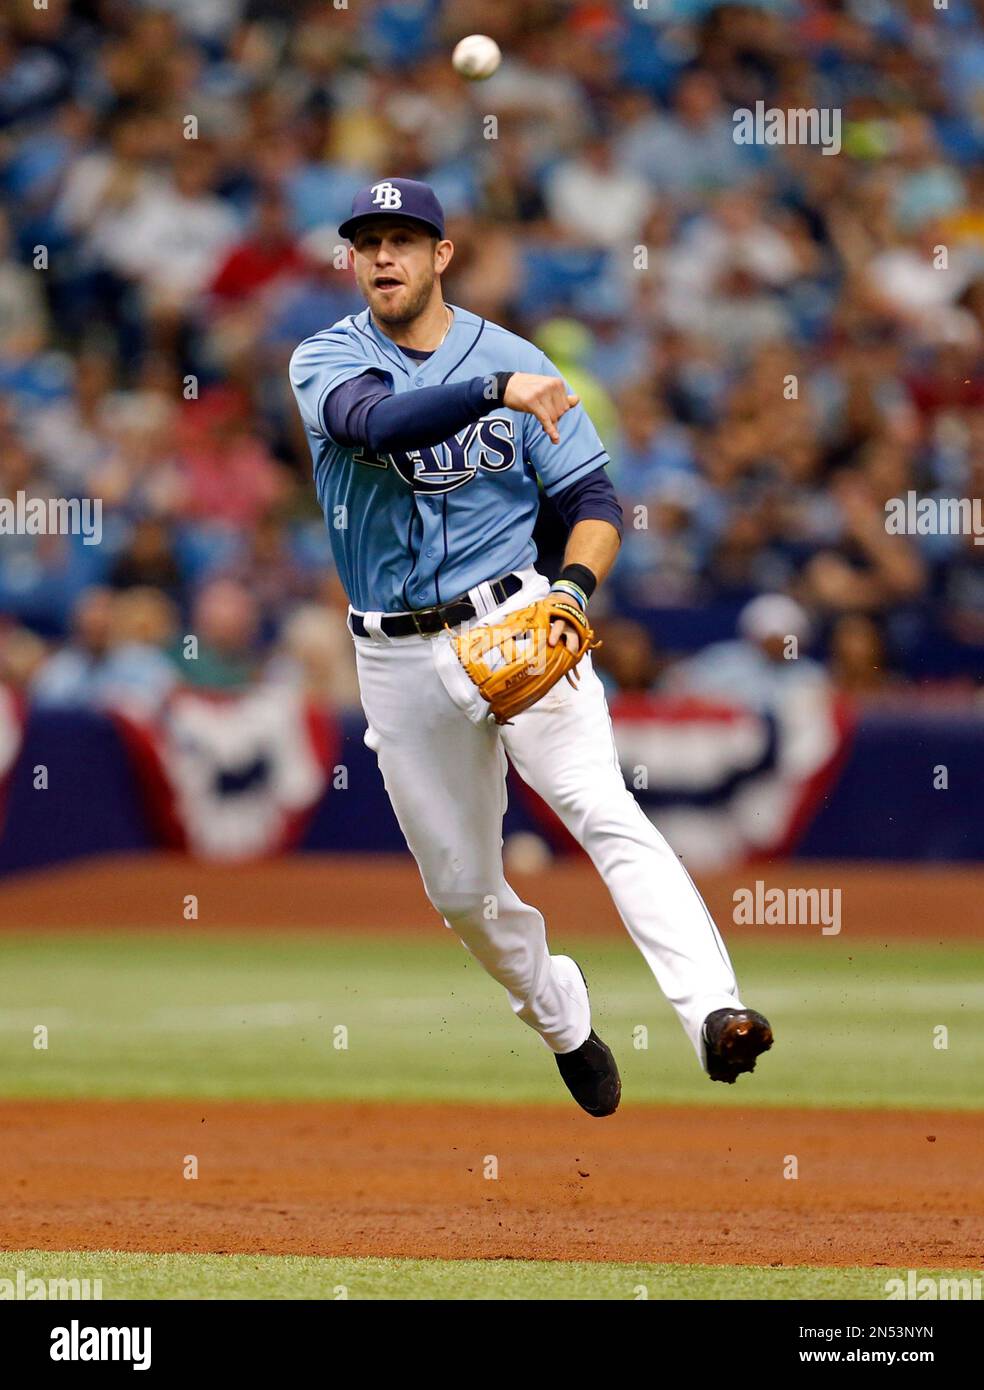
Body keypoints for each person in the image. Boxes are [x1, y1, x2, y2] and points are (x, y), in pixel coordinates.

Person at [289, 178, 773, 1116]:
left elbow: (594, 503)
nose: (383, 256)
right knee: (465, 892)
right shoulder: (326, 357)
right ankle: (561, 1016)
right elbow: (376, 423)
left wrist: (574, 593)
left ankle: (716, 1011)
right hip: (392, 653)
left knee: (603, 809)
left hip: (512, 615)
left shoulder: (518, 356)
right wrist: (494, 391)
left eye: (404, 239)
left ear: (443, 256)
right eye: (367, 242)